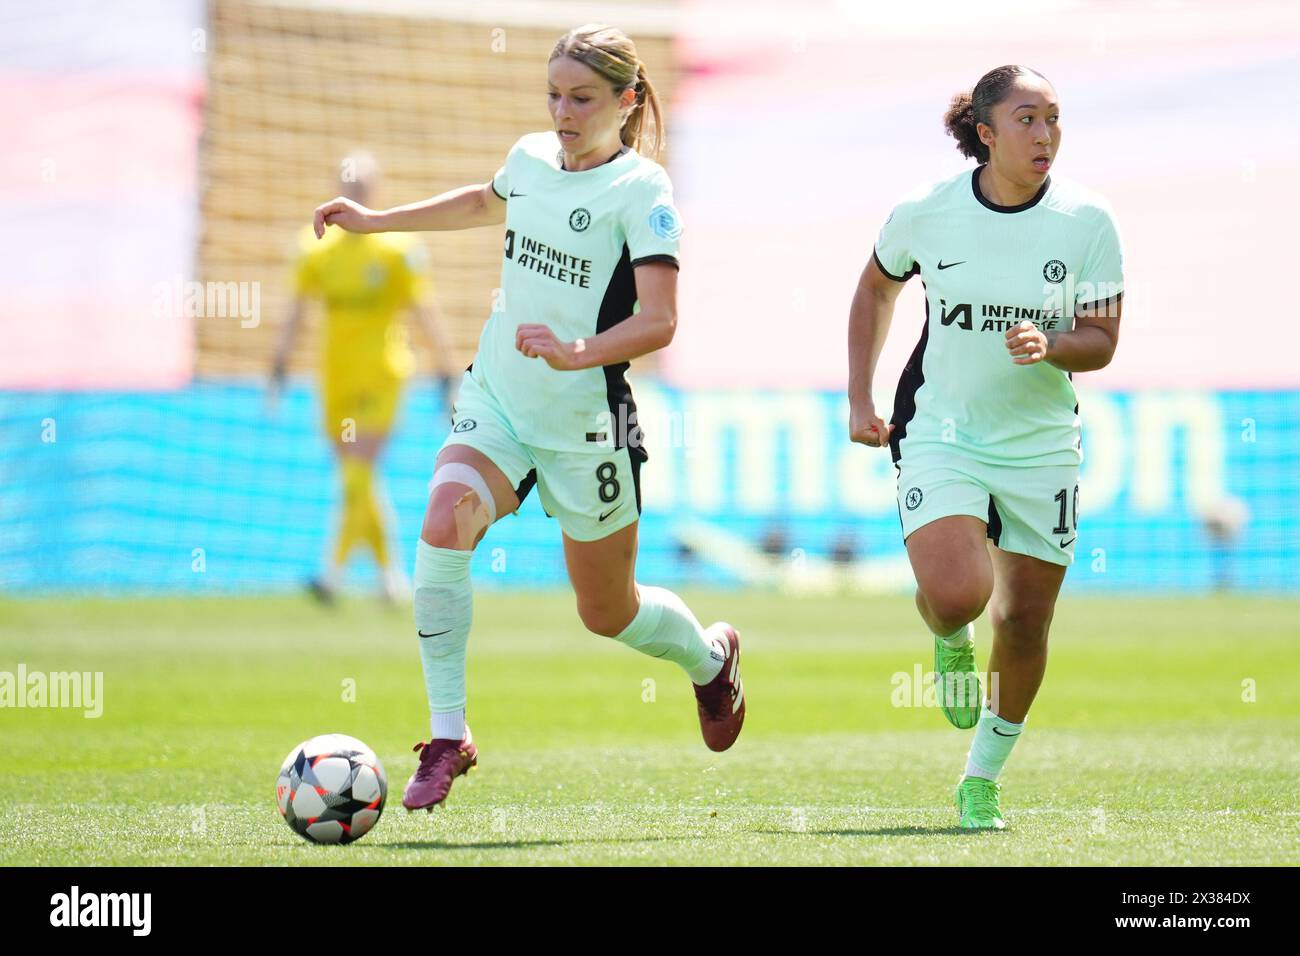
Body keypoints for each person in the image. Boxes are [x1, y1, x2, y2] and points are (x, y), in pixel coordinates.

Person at [311, 24, 746, 812]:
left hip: (587, 423)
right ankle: (449, 735)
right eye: (553, 95)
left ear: (628, 101)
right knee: (443, 522)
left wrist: (580, 351)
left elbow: (660, 321)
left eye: (581, 98)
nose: (562, 112)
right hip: (500, 401)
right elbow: (484, 200)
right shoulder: (530, 160)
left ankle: (712, 660)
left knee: (607, 612)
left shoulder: (642, 192)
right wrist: (375, 223)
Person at [847, 65, 1124, 829]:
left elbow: (1102, 341)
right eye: (1028, 119)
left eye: (1055, 118)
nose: (1045, 135)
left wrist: (1056, 343)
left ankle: (981, 779)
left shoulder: (1088, 221)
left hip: (1040, 445)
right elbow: (874, 289)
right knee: (958, 593)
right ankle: (948, 636)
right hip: (942, 430)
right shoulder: (927, 213)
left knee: (1027, 621)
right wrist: (860, 398)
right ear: (986, 132)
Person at [273, 153, 459, 605]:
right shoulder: (315, 248)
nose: (353, 191)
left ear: (375, 193)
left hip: (383, 373)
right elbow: (297, 311)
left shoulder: (397, 249)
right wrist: (278, 365)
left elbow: (424, 311)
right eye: (346, 184)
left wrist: (447, 370)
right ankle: (390, 576)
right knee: (359, 477)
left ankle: (332, 574)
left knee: (358, 471)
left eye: (361, 186)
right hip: (334, 374)